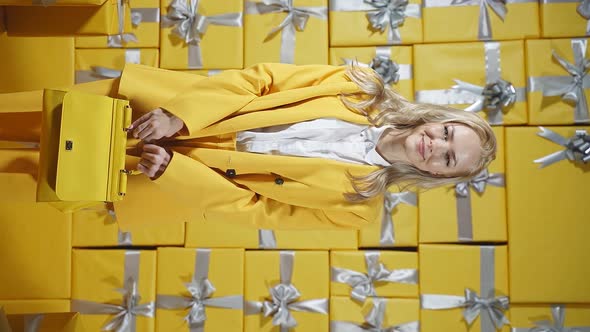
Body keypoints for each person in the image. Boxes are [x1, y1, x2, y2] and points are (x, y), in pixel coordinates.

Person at [0, 62, 496, 230]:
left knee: (27, 176)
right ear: (438, 119)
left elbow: (255, 209)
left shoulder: (357, 209)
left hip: (165, 175)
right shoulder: (357, 85)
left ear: (438, 176)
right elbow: (257, 80)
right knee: (27, 113)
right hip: (157, 109)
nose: (437, 145)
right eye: (447, 133)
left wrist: (173, 171)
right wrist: (179, 116)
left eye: (449, 158)